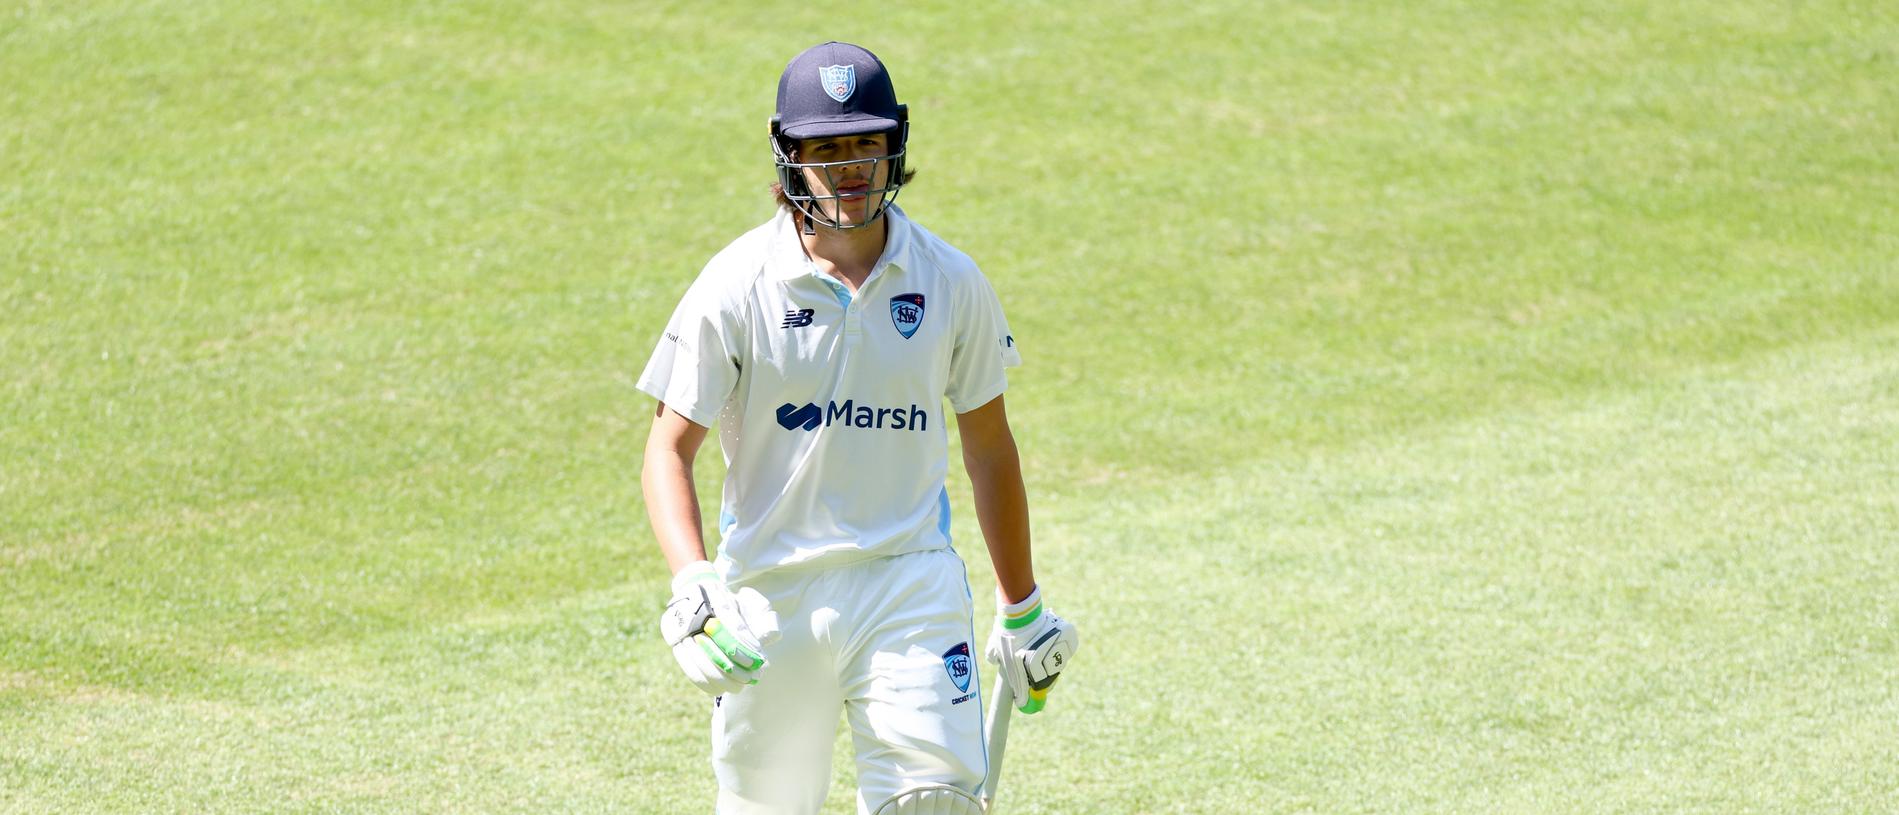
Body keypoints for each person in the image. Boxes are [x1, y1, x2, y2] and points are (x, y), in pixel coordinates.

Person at [638, 41, 1080, 815]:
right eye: (826, 148)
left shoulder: (950, 281)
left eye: (865, 145)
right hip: (770, 595)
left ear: (893, 149)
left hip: (907, 579)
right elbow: (668, 449)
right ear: (789, 158)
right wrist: (695, 583)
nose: (848, 166)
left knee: (934, 804)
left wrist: (1022, 605)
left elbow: (988, 449)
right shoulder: (734, 284)